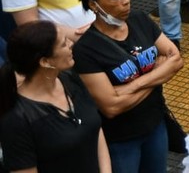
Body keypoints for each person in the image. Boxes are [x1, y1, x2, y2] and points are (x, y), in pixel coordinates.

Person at [73, 0, 183, 173]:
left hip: (156, 124)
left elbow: (175, 59)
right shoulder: (86, 50)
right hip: (121, 140)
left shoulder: (139, 19)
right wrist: (158, 75)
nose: (125, 1)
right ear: (93, 5)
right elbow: (111, 107)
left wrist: (134, 85)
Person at [0, 20, 110, 172]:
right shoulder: (17, 119)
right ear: (45, 61)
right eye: (64, 44)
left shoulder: (71, 80)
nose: (71, 43)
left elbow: (95, 129)